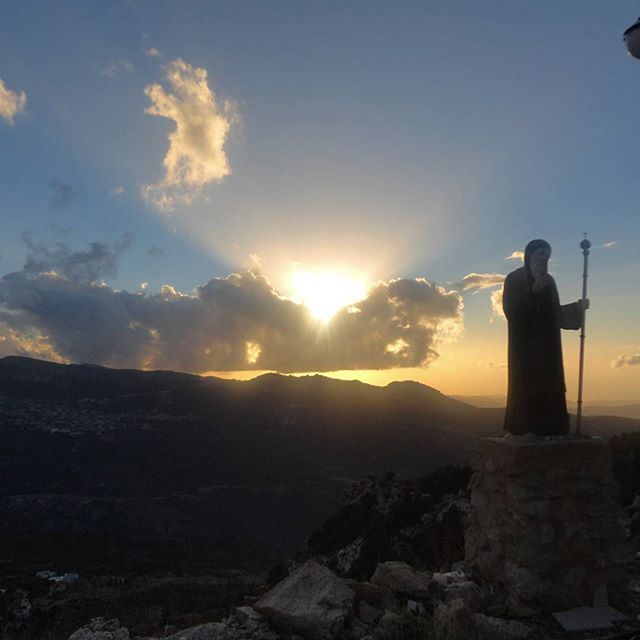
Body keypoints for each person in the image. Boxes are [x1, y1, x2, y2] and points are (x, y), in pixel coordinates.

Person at [502, 239, 589, 435]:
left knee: (550, 384)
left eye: (546, 255)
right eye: (539, 254)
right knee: (526, 384)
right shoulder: (514, 279)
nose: (543, 259)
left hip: (549, 346)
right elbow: (510, 310)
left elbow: (555, 314)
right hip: (524, 346)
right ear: (529, 256)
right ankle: (523, 427)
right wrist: (532, 292)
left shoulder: (549, 281)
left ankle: (551, 428)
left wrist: (577, 308)